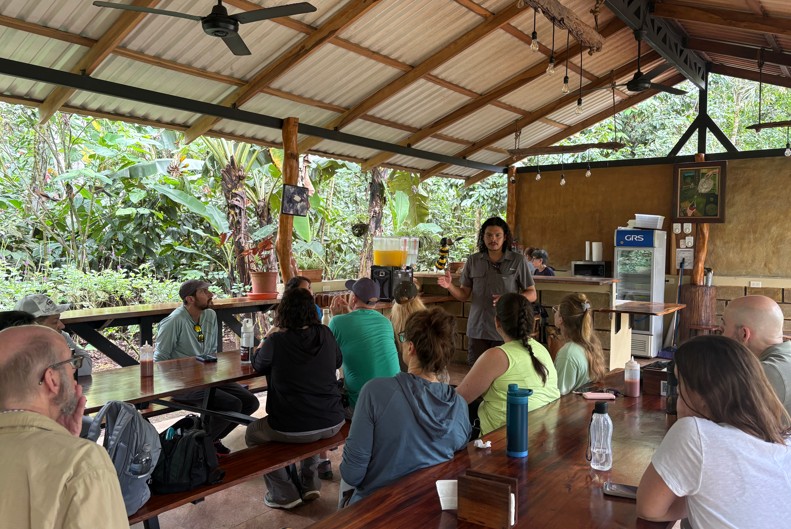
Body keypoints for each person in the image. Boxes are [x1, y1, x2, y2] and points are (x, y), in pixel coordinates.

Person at [636, 335, 791, 528]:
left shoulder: (693, 433)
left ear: (703, 396)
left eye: (680, 387)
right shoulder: (784, 442)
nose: (677, 398)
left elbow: (649, 509)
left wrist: (697, 500)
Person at [0, 325, 128, 528]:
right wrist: (68, 450)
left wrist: (63, 441)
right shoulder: (82, 463)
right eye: (71, 362)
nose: (75, 369)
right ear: (52, 379)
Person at [340, 306, 471, 504]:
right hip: (430, 508)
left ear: (410, 348)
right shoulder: (459, 405)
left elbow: (352, 474)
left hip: (376, 510)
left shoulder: (375, 392)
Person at [246, 288, 345, 510]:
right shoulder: (325, 334)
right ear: (312, 310)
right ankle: (310, 483)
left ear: (284, 312)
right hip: (333, 421)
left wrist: (263, 342)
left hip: (292, 427)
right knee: (311, 428)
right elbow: (338, 361)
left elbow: (258, 364)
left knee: (252, 433)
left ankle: (284, 493)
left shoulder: (276, 341)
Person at [154, 279, 259, 456]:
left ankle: (209, 440)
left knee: (250, 402)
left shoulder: (210, 316)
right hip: (181, 384)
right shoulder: (173, 321)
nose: (210, 295)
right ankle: (199, 447)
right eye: (204, 291)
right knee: (231, 403)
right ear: (190, 299)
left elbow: (210, 351)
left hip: (208, 378)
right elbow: (159, 359)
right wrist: (180, 379)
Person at [457, 293, 559, 436]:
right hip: (543, 433)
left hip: (506, 440)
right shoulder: (541, 349)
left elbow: (459, 399)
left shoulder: (496, 356)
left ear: (497, 322)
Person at [439, 216, 537, 366]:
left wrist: (509, 298)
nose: (493, 239)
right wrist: (449, 286)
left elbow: (532, 294)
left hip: (506, 331)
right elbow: (464, 295)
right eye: (489, 235)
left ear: (505, 237)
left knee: (503, 375)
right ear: (482, 237)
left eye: (498, 235)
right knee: (476, 373)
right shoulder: (473, 260)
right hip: (478, 329)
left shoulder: (517, 261)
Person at [329, 277, 400, 411]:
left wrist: (336, 317)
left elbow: (328, 360)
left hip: (360, 407)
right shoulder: (386, 322)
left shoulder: (338, 322)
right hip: (393, 404)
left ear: (354, 298)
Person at [720, 295, 791, 415]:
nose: (721, 337)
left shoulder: (768, 373)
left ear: (744, 334)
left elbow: (725, 422)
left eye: (722, 330)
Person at [14, 294, 93, 376]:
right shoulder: (12, 352)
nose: (62, 326)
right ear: (34, 325)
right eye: (55, 321)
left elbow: (85, 368)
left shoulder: (61, 336)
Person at [553, 293, 606, 395]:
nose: (554, 312)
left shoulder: (567, 354)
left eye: (557, 310)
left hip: (569, 409)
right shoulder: (591, 344)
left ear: (561, 320)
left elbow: (558, 394)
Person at [389, 281, 426, 372]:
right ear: (417, 297)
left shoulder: (390, 322)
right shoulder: (427, 320)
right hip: (424, 371)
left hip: (398, 373)